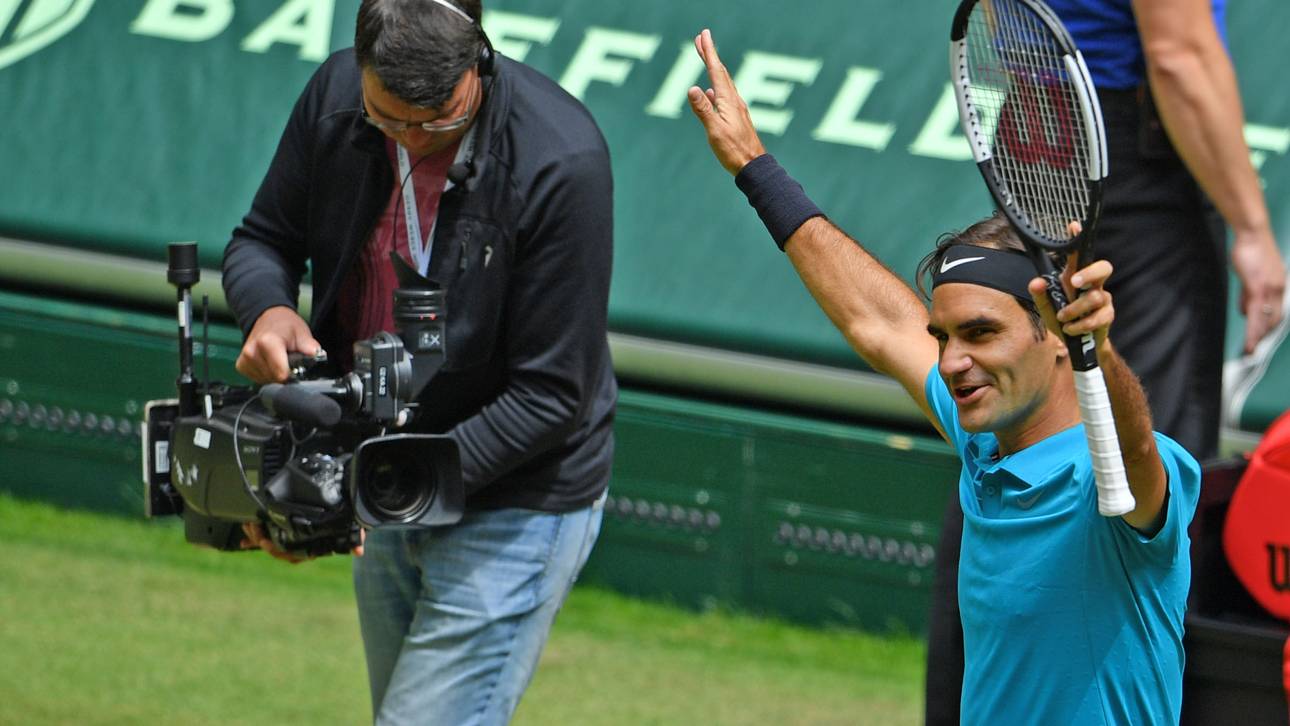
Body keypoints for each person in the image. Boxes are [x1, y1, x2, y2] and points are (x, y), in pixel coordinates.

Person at [687, 28, 1200, 723]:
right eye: (946, 336)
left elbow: (1135, 452)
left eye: (982, 333)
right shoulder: (983, 439)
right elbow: (880, 321)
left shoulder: (1112, 479)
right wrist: (754, 165)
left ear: (1054, 335)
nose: (954, 361)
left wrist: (1100, 352)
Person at [222, 0, 617, 722]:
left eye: (436, 121)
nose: (412, 139)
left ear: (480, 65)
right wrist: (269, 310)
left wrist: (373, 483)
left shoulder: (564, 159)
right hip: (386, 475)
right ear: (361, 69)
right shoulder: (336, 97)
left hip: (516, 498)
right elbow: (262, 240)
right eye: (388, 117)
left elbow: (552, 395)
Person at [925, 2, 1288, 721]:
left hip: (1042, 129)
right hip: (1129, 154)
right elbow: (1180, 54)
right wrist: (1252, 228)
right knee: (1149, 496)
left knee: (1009, 447)